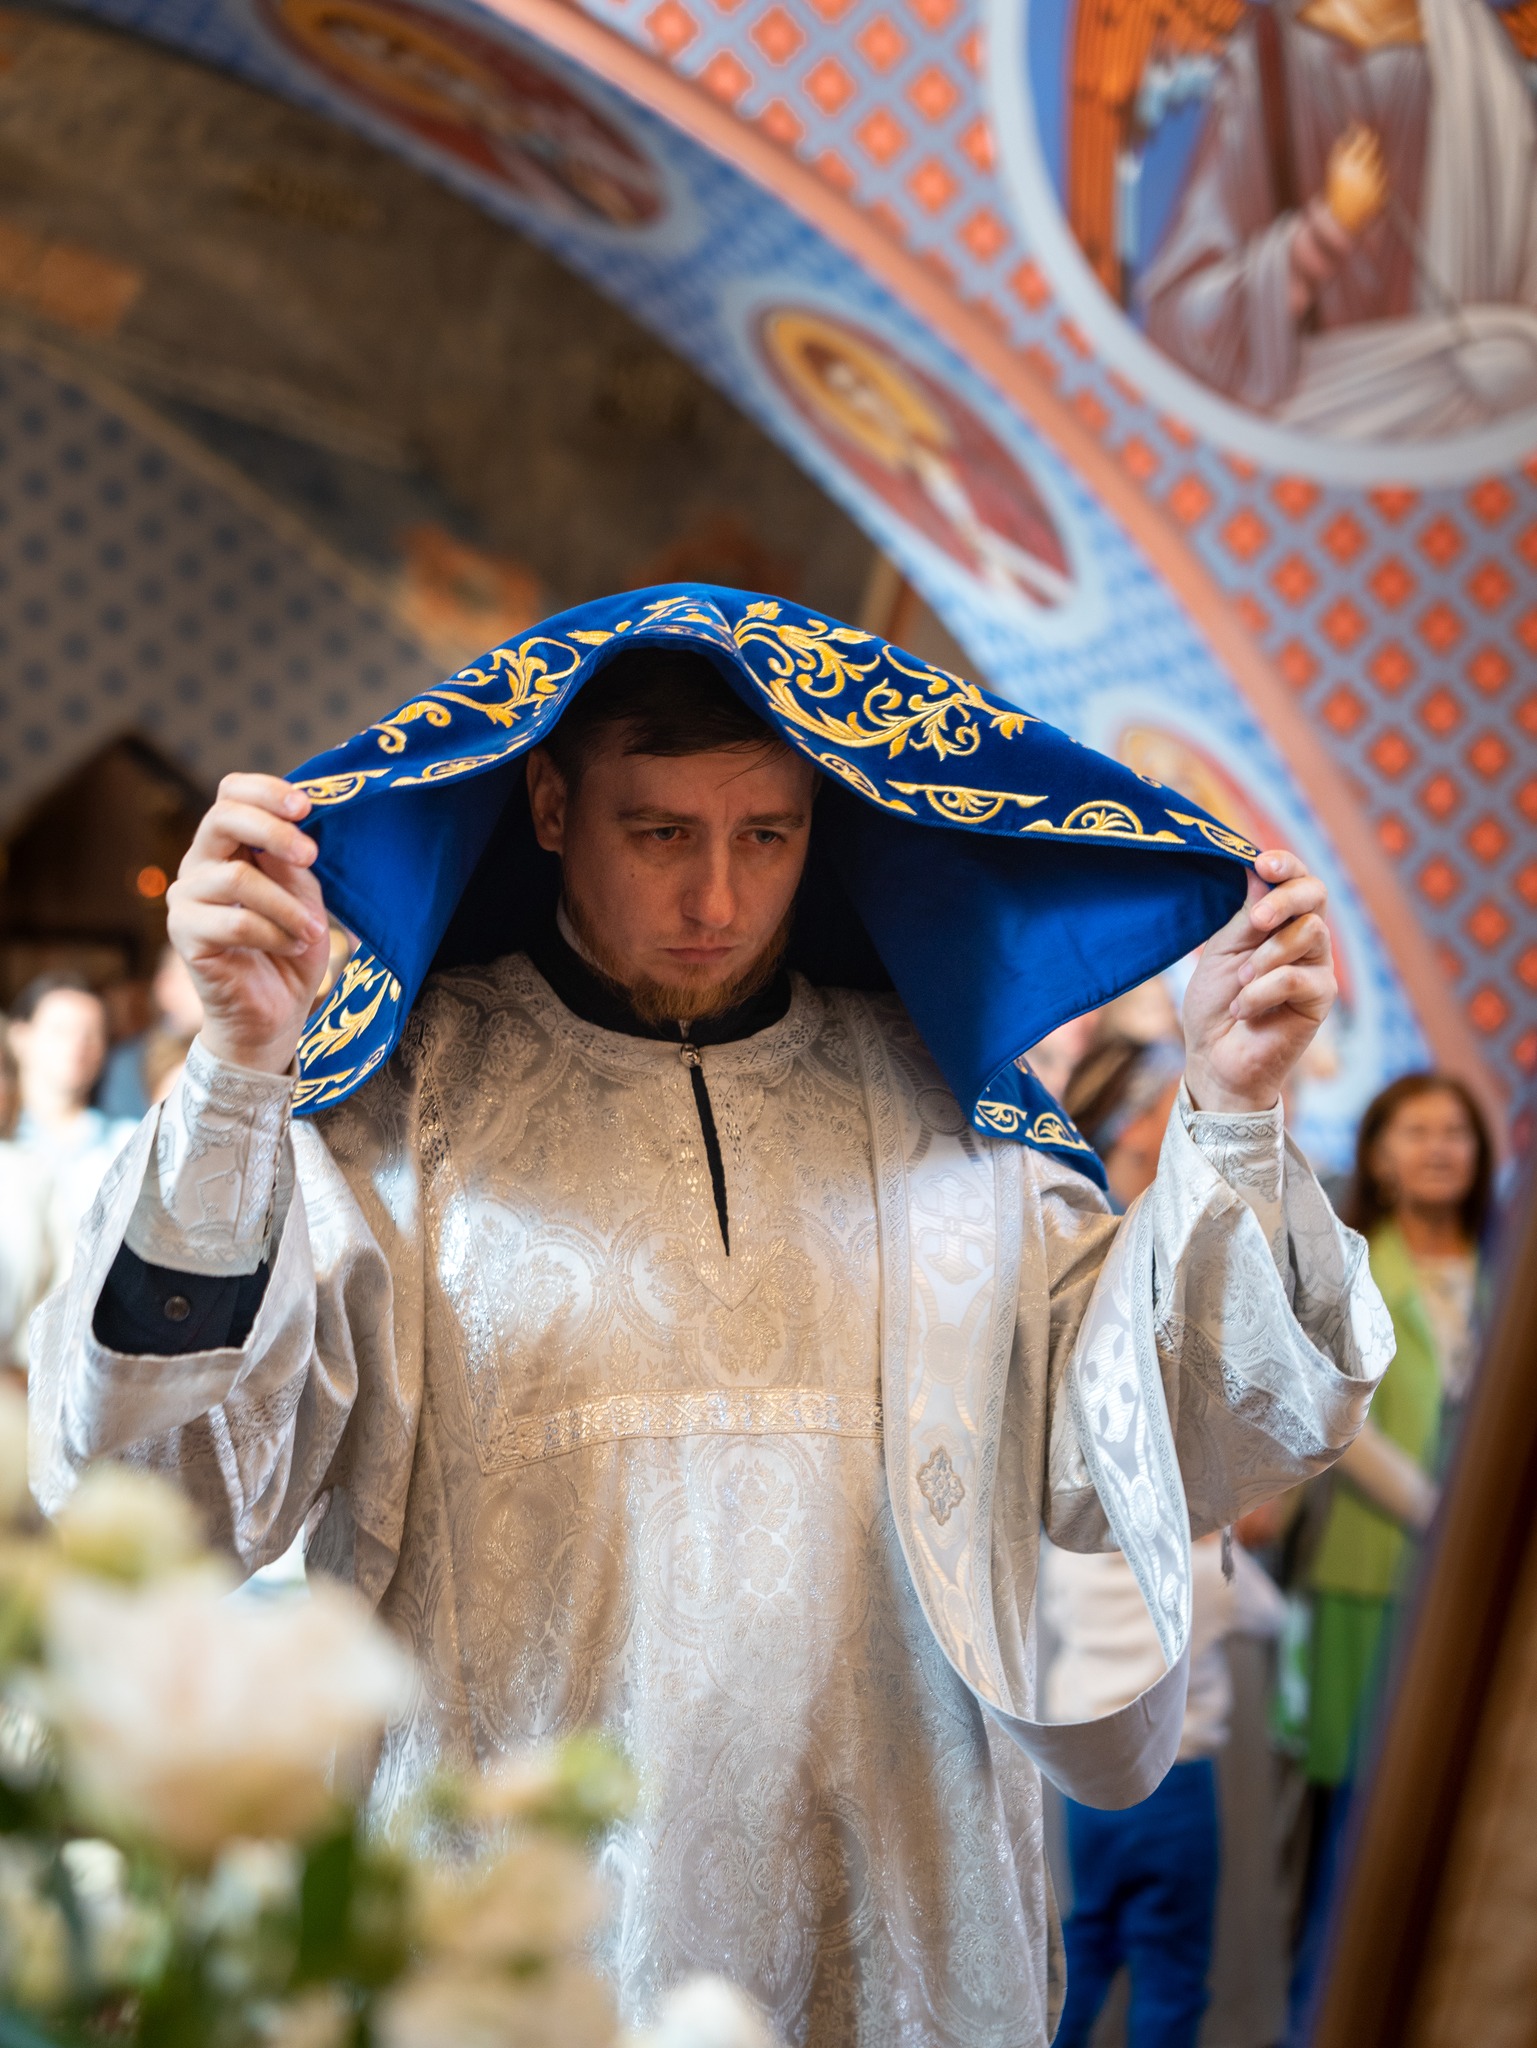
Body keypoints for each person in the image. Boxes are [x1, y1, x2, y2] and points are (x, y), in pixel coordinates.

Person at [29, 588, 1391, 2048]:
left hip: (901, 1906)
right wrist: (240, 1076)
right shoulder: (388, 1118)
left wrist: (1231, 1112)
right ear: (551, 805)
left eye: (768, 835)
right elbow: (168, 1495)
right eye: (661, 832)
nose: (719, 901)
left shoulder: (949, 1122)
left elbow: (1156, 1449)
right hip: (521, 1921)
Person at [1286, 1068, 1493, 2032]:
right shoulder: (1353, 1267)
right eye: (1415, 1131)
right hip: (1371, 1569)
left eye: (1455, 1131)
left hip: (1480, 1588)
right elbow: (1336, 1416)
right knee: (1355, 1811)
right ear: (1375, 1155)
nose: (1438, 1147)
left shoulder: (1503, 1271)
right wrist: (1443, 1513)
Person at [1139, 0, 1537, 439]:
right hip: (1315, 419)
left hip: (1470, 409)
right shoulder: (1268, 56)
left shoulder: (1481, 61)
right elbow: (1183, 323)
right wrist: (1322, 234)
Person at [0, 976, 134, 1371]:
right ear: (20, 1036)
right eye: (61, 1030)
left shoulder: (129, 1146)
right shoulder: (9, 1152)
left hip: (92, 1363)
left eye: (92, 1033)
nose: (79, 1045)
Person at [97, 945, 205, 1123]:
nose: (216, 989)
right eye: (199, 977)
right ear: (165, 985)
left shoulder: (243, 1059)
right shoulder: (130, 1064)